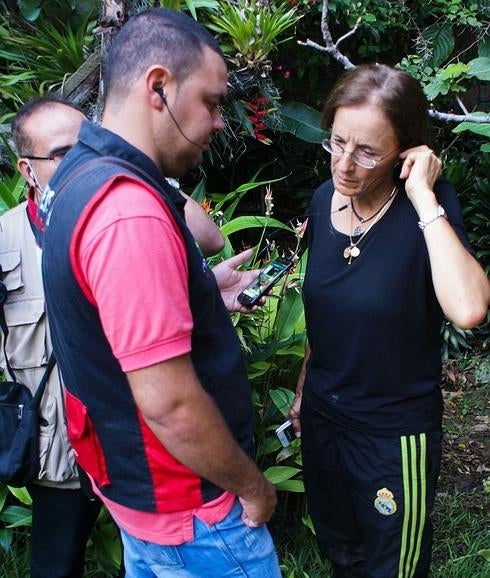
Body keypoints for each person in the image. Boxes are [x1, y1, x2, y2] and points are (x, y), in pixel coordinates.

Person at [39, 8, 281, 578]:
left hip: (138, 494)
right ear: (158, 87)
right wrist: (251, 487)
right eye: (212, 102)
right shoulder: (129, 214)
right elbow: (170, 404)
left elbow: (104, 314)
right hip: (194, 511)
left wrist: (198, 290)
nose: (220, 121)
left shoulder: (80, 173)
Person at [287, 64, 490, 578]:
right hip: (324, 420)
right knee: (343, 552)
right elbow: (329, 311)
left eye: (368, 152)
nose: (346, 166)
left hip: (392, 436)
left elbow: (468, 309)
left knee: (391, 567)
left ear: (406, 151)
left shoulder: (428, 211)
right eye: (337, 143)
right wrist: (304, 388)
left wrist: (423, 196)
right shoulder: (320, 199)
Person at [1, 97, 101, 578]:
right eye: (64, 154)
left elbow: (207, 238)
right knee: (55, 569)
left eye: (90, 147)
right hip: (56, 453)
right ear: (27, 169)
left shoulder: (121, 223)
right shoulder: (4, 241)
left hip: (131, 445)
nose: (82, 162)